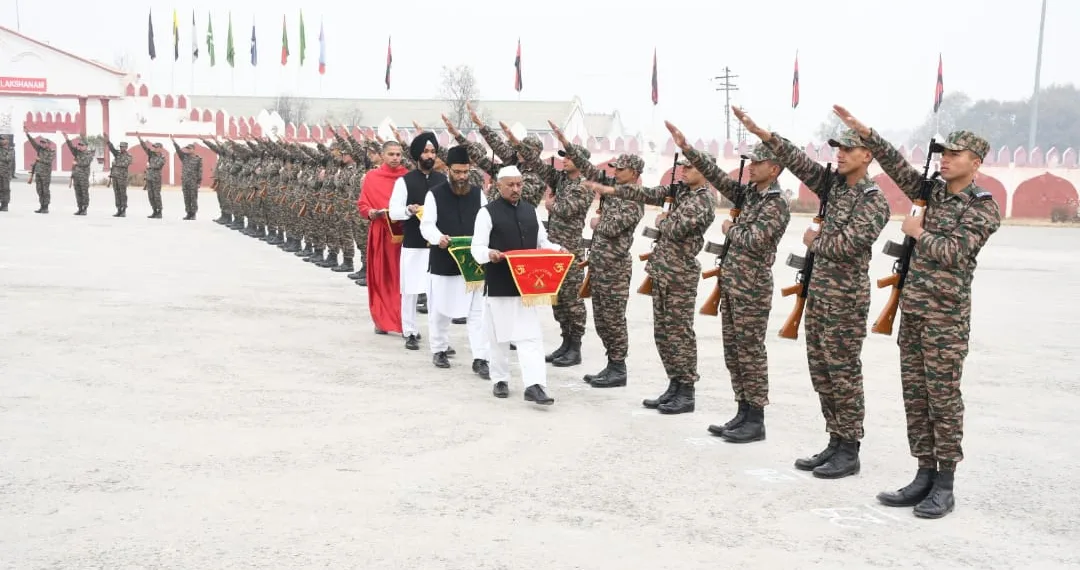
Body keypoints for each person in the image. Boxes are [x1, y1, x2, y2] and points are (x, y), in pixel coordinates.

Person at [833, 106, 1001, 519]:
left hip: (946, 321)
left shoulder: (983, 207)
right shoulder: (933, 192)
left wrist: (918, 232)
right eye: (942, 152)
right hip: (914, 313)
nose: (944, 159)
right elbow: (894, 164)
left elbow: (954, 252)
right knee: (916, 397)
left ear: (975, 163)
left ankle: (945, 484)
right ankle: (923, 473)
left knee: (943, 401)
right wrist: (865, 132)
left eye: (954, 154)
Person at [733, 106, 890, 478]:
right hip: (819, 294)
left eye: (848, 149)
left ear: (867, 156)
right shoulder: (833, 186)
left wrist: (816, 242)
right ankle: (834, 441)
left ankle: (849, 449)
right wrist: (765, 135)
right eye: (837, 148)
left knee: (843, 373)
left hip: (846, 300)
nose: (840, 154)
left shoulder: (873, 199)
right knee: (821, 372)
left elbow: (849, 245)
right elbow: (798, 161)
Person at [666, 122, 792, 443]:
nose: (751, 167)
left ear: (774, 168)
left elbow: (755, 240)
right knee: (733, 352)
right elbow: (718, 176)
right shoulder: (749, 195)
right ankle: (742, 410)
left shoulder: (776, 204)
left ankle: (757, 418)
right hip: (733, 284)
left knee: (751, 352)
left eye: (758, 163)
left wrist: (729, 230)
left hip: (752, 288)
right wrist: (690, 149)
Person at [587, 153, 717, 415]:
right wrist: (610, 189)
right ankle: (674, 384)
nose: (683, 170)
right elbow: (647, 193)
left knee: (679, 333)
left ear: (704, 170)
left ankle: (687, 390)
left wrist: (662, 221)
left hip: (680, 274)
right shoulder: (678, 191)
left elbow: (676, 228)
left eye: (689, 167)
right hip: (663, 271)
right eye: (682, 166)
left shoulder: (704, 199)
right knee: (663, 333)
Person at [558, 128, 645, 387]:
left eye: (621, 169)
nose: (615, 172)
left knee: (614, 318)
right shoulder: (615, 191)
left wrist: (598, 222)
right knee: (601, 318)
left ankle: (619, 367)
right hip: (600, 266)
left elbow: (613, 227)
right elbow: (589, 169)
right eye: (615, 168)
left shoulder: (634, 199)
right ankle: (611, 363)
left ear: (634, 174)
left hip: (615, 268)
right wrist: (565, 142)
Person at [471, 165, 563, 405]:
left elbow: (542, 242)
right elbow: (476, 248)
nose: (515, 189)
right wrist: (489, 253)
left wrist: (558, 250)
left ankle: (534, 385)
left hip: (527, 286)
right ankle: (499, 379)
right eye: (510, 185)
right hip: (500, 283)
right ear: (498, 186)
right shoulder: (487, 213)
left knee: (530, 336)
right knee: (499, 337)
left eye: (519, 184)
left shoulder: (530, 210)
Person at [506, 122, 592, 367]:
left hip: (571, 249)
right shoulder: (562, 181)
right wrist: (515, 141)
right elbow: (537, 165)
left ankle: (575, 347)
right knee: (557, 298)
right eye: (563, 156)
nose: (564, 161)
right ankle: (565, 343)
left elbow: (565, 210)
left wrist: (551, 204)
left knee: (571, 299)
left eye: (570, 158)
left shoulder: (583, 185)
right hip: (553, 247)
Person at [419, 145, 490, 378]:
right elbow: (427, 224)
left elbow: (486, 222)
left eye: (465, 172)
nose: (462, 177)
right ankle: (439, 349)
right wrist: (438, 238)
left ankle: (481, 358)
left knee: (477, 312)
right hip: (444, 260)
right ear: (448, 169)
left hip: (472, 263)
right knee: (440, 309)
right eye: (457, 172)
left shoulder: (478, 193)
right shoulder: (435, 194)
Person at [390, 132, 448, 350]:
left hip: (437, 244)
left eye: (433, 151)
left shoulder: (443, 180)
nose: (430, 155)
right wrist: (409, 209)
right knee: (411, 290)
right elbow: (394, 211)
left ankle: (439, 337)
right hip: (414, 242)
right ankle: (410, 330)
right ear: (417, 155)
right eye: (425, 151)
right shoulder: (404, 182)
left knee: (438, 292)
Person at [358, 140, 410, 335]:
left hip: (403, 234)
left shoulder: (407, 177)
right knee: (381, 277)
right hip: (380, 232)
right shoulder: (372, 177)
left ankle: (404, 320)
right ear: (382, 155)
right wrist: (371, 212)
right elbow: (362, 204)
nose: (395, 158)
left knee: (402, 278)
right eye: (391, 154)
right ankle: (381, 319)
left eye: (398, 154)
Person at [63, 133, 94, 215]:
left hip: (83, 177)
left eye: (82, 145)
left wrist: (76, 163)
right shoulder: (77, 153)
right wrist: (67, 139)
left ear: (86, 146)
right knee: (78, 193)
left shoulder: (89, 154)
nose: (80, 146)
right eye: (79, 145)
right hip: (76, 176)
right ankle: (80, 208)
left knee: (84, 193)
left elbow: (86, 163)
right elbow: (71, 148)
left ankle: (84, 209)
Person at [25, 128, 54, 213]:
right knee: (39, 190)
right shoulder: (39, 149)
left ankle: (46, 207)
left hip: (45, 174)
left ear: (48, 144)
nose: (42, 144)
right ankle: (41, 206)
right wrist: (27, 134)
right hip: (38, 173)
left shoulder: (51, 152)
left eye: (44, 142)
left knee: (45, 190)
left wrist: (39, 159)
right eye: (41, 142)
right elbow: (33, 142)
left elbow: (49, 161)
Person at [173, 138, 203, 220]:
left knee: (193, 198)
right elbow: (178, 151)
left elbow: (200, 171)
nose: (188, 150)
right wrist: (174, 142)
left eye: (189, 149)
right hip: (185, 181)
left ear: (193, 149)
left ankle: (193, 214)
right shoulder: (184, 157)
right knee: (186, 198)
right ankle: (188, 213)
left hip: (193, 182)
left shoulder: (198, 159)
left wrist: (199, 182)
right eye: (187, 149)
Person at [137, 135, 166, 219]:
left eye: (156, 147)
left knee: (157, 195)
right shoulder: (151, 154)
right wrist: (140, 140)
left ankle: (159, 212)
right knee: (150, 195)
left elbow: (157, 165)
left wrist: (149, 166)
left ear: (160, 148)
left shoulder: (162, 157)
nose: (154, 148)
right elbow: (145, 148)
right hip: (149, 177)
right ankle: (154, 211)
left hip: (156, 178)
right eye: (154, 147)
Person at [105, 135, 132, 217]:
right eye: (120, 147)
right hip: (115, 177)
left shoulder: (129, 156)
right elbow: (112, 149)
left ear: (126, 147)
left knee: (122, 193)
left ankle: (123, 210)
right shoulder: (118, 154)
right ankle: (118, 209)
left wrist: (115, 164)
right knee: (116, 193)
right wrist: (108, 141)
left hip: (122, 178)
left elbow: (125, 164)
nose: (121, 148)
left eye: (123, 147)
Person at [0, 136, 12, 211]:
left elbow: (8, 159)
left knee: (5, 189)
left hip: (5, 173)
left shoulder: (10, 150)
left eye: (2, 139)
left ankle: (5, 205)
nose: (1, 141)